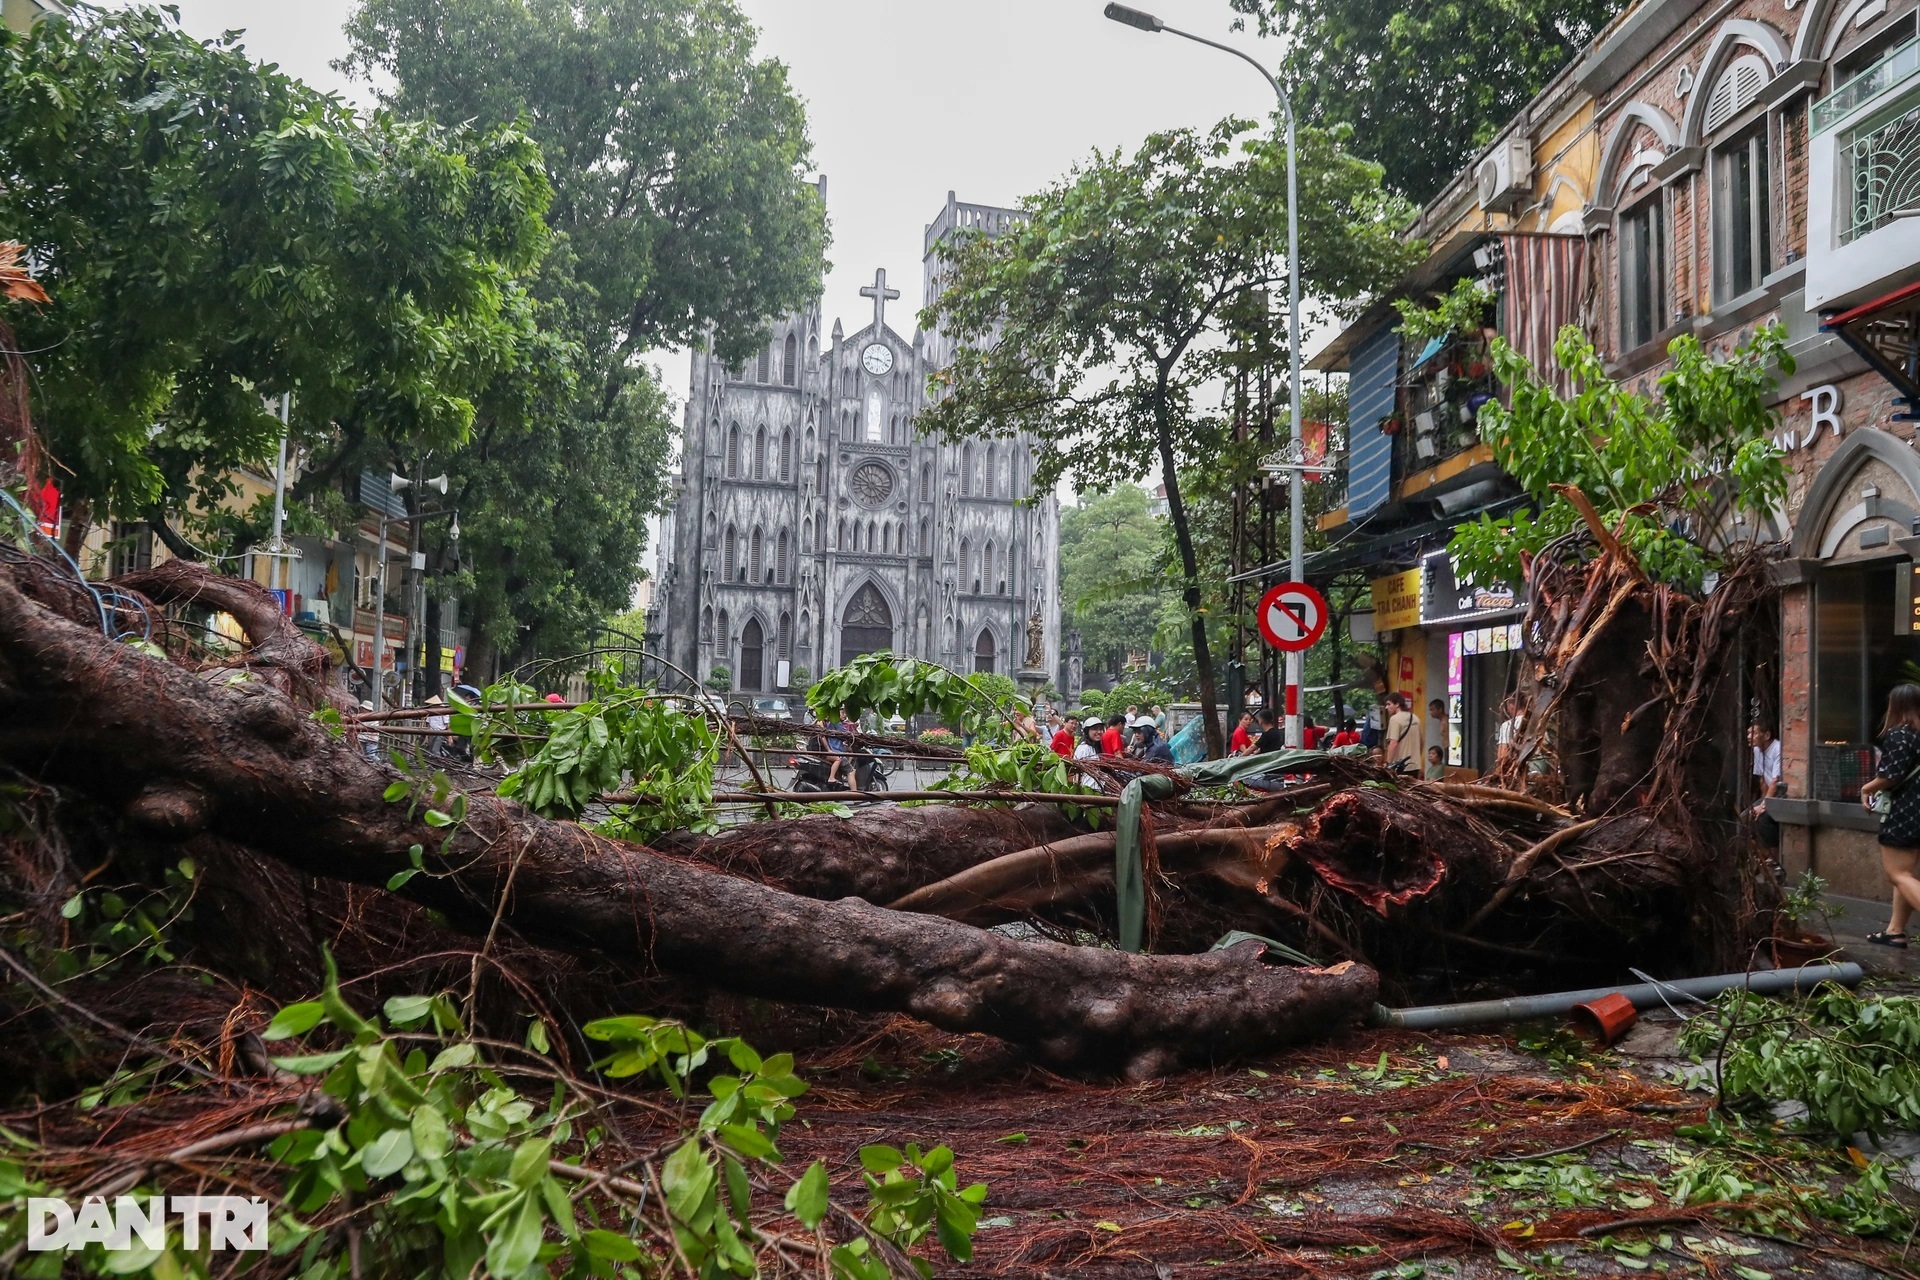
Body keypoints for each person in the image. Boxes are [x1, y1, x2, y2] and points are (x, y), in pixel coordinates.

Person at [1859, 684, 1920, 948]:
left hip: (1907, 812)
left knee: (1897, 874)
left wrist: (1866, 788)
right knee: (1906, 873)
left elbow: (1891, 776)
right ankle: (1895, 931)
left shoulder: (1900, 734)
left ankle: (1895, 931)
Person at [1748, 721, 1782, 850]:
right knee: (1746, 815)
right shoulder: (1757, 750)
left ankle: (1775, 854)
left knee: (1763, 819)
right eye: (1748, 733)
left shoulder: (1777, 748)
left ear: (1767, 735)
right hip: (1770, 794)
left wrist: (1763, 806)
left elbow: (1775, 781)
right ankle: (1759, 854)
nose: (1749, 736)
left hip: (1781, 794)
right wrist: (1762, 800)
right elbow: (1762, 779)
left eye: (1754, 733)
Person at [1385, 692, 1424, 775]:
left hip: (1400, 766)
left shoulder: (1394, 719)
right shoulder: (1415, 718)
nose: (1386, 707)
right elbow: (1421, 742)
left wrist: (1388, 764)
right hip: (1415, 765)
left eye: (1389, 704)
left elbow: (1393, 743)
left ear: (1397, 704)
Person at [1426, 699, 1449, 767]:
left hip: (1450, 749)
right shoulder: (1442, 720)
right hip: (1446, 748)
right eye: (1430, 710)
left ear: (1440, 709)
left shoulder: (1446, 721)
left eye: (1432, 710)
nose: (1431, 712)